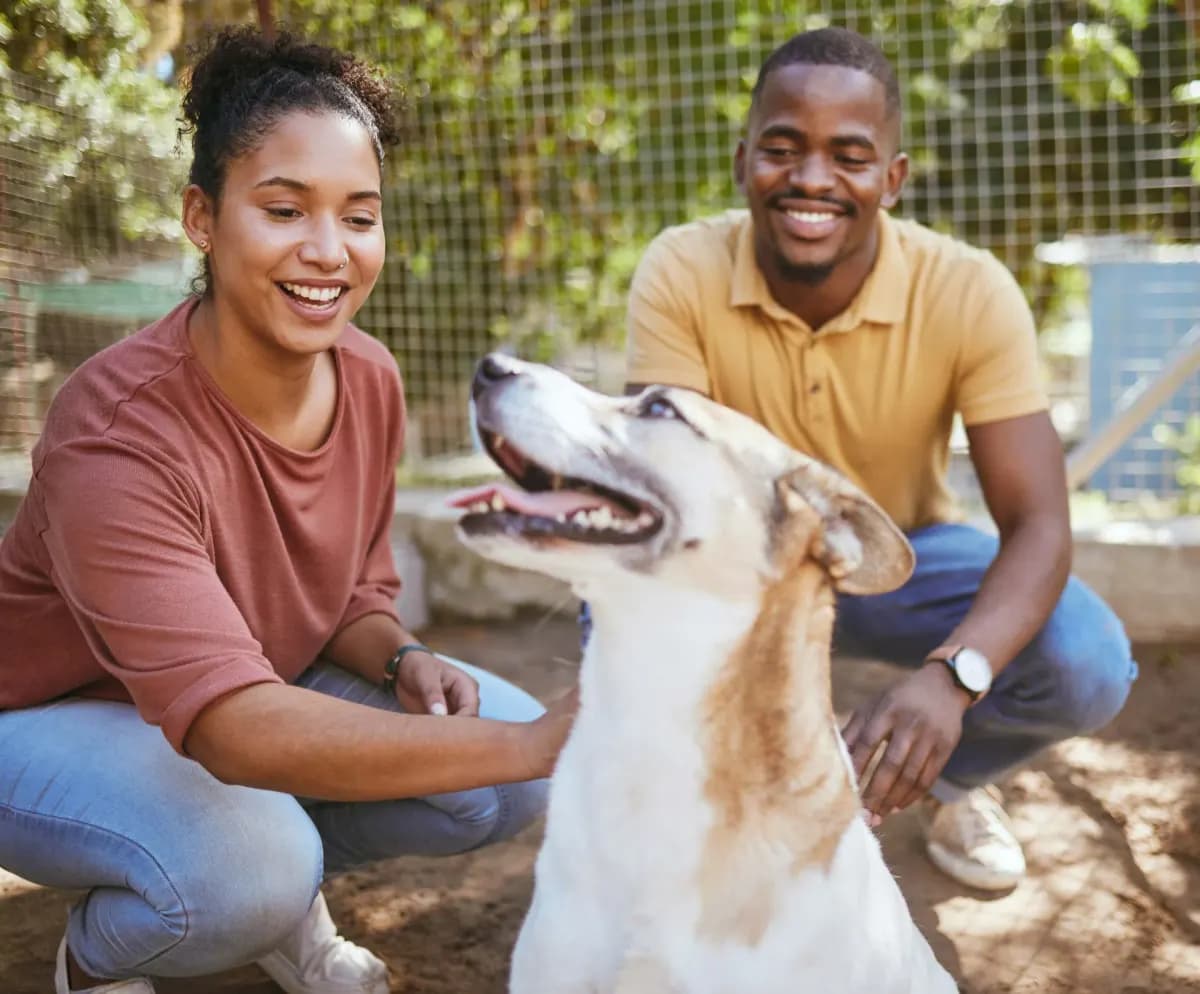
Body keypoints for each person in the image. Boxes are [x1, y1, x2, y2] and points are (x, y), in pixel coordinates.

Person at [0, 28, 575, 994]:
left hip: (228, 706)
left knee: (504, 778)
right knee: (253, 866)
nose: (328, 251)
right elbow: (229, 729)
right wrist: (532, 737)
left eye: (360, 216)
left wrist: (402, 655)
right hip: (47, 719)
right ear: (201, 216)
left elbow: (346, 589)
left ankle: (273, 887)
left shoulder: (371, 377)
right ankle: (105, 958)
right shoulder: (117, 428)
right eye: (283, 208)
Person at [617, 26, 1136, 892]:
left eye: (850, 156)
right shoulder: (681, 268)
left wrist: (952, 679)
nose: (813, 179)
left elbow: (1040, 523)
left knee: (1087, 661)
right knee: (621, 616)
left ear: (892, 180)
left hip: (906, 556)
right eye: (783, 149)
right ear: (745, 159)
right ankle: (705, 820)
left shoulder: (968, 289)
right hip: (741, 557)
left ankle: (944, 780)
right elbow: (672, 492)